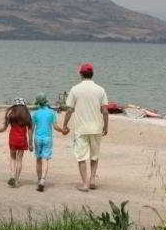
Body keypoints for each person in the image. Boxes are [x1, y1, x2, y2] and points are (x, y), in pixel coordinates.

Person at [61, 63, 108, 192]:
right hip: (96, 127)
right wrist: (106, 126)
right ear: (92, 74)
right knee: (94, 155)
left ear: (81, 74)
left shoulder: (75, 89)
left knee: (81, 157)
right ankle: (92, 179)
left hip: (81, 128)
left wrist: (65, 125)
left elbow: (70, 110)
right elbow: (104, 110)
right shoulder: (100, 89)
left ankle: (85, 183)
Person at [0, 98, 33, 188]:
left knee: (12, 158)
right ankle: (17, 179)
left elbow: (4, 128)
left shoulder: (11, 115)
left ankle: (12, 176)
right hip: (22, 139)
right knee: (19, 160)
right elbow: (30, 130)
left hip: (13, 139)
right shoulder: (27, 116)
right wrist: (30, 143)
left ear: (15, 106)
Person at [31, 93, 64, 192]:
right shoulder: (51, 112)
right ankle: (43, 180)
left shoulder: (35, 114)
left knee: (38, 159)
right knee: (45, 159)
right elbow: (55, 126)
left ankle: (39, 179)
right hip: (48, 139)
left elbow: (32, 129)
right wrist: (62, 130)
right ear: (46, 101)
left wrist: (29, 141)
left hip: (37, 138)